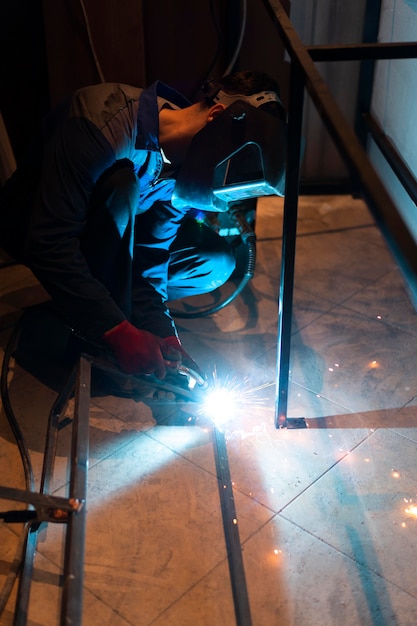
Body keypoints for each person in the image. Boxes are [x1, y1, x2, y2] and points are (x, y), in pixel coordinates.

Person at [0, 70, 284, 382]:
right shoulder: (106, 122)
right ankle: (95, 323)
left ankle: (99, 304)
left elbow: (151, 256)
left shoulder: (192, 167)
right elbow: (49, 241)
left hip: (118, 232)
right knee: (122, 184)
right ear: (216, 117)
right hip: (41, 225)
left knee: (215, 261)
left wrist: (163, 333)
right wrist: (117, 332)